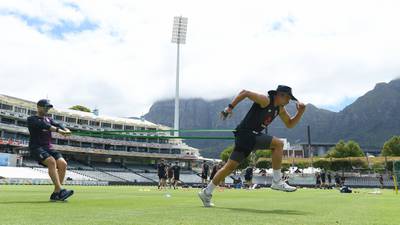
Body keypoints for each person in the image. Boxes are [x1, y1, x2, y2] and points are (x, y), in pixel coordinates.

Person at [198, 85, 305, 207]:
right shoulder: (266, 100)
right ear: (279, 95)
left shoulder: (279, 109)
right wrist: (229, 107)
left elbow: (290, 124)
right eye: (288, 98)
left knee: (229, 167)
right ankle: (277, 181)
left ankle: (206, 192)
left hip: (247, 137)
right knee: (278, 144)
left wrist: (300, 112)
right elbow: (245, 92)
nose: (289, 101)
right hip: (246, 134)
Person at [27, 99, 74, 201]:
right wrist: (60, 131)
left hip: (48, 148)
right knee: (51, 161)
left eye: (48, 107)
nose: (47, 109)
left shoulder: (49, 119)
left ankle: (57, 193)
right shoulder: (31, 119)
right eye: (45, 107)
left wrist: (66, 129)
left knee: (63, 164)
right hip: (36, 148)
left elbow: (58, 124)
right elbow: (45, 126)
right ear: (38, 107)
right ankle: (61, 190)